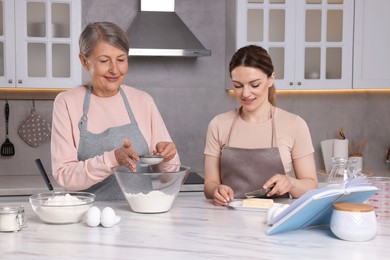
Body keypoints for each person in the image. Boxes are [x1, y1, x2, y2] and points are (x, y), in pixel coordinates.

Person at [51, 21, 180, 200]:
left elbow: (167, 177)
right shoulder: (66, 103)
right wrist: (112, 159)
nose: (115, 70)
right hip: (87, 218)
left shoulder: (143, 101)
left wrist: (168, 158)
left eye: (121, 59)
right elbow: (65, 176)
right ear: (84, 61)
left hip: (140, 216)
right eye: (104, 61)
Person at [203, 45, 317, 206]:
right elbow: (209, 184)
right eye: (238, 85)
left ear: (271, 79)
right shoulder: (218, 124)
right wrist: (216, 190)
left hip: (275, 219)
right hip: (227, 219)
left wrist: (291, 183)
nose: (245, 93)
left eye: (254, 85)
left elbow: (311, 185)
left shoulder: (295, 125)